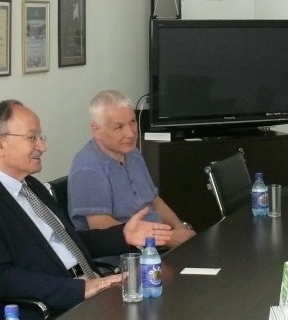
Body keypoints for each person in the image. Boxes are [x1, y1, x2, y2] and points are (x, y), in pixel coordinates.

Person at [0, 100, 173, 320]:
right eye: (32, 138)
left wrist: (123, 235)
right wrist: (78, 289)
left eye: (41, 138)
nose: (42, 147)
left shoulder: (30, 186)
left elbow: (70, 241)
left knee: (165, 308)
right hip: (53, 311)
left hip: (88, 287)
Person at [68, 90, 194, 249]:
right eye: (119, 127)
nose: (131, 133)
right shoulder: (88, 168)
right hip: (126, 254)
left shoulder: (132, 153)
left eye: (132, 121)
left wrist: (180, 230)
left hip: (158, 242)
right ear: (96, 130)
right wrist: (170, 239)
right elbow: (103, 228)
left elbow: (154, 201)